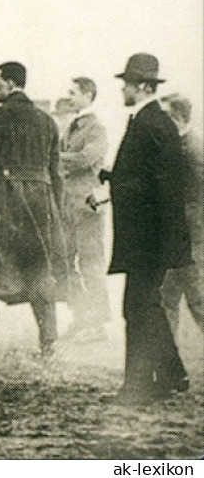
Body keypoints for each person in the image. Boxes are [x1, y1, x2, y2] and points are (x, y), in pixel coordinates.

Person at [104, 54, 191, 404]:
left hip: (148, 238)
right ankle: (170, 375)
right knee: (145, 305)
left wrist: (119, 185)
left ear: (142, 86)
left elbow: (162, 186)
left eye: (126, 82)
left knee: (138, 308)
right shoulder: (151, 121)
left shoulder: (151, 123)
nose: (122, 88)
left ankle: (138, 387)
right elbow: (148, 178)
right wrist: (114, 179)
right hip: (150, 237)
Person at [0, 61, 68, 357]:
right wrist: (55, 213)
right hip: (40, 204)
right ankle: (49, 339)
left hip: (3, 201)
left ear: (10, 84)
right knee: (39, 267)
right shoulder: (47, 121)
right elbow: (56, 173)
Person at [58, 76, 110, 341]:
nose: (69, 97)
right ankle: (82, 316)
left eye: (73, 92)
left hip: (88, 206)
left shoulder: (96, 128)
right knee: (64, 263)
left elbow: (84, 159)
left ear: (88, 95)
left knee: (91, 264)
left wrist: (53, 157)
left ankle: (98, 325)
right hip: (69, 205)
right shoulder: (72, 126)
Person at [157, 93, 202, 339]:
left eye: (166, 117)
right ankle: (167, 361)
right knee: (167, 297)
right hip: (177, 238)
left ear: (179, 118)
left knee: (198, 300)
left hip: (192, 239)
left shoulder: (193, 148)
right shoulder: (176, 145)